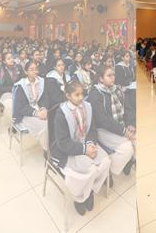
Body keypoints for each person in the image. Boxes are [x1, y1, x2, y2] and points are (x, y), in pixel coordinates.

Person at [51, 82, 111, 216]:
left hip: (86, 143)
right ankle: (79, 199)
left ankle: (89, 191)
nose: (80, 98)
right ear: (67, 96)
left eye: (82, 94)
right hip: (70, 148)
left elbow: (91, 129)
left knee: (106, 161)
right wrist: (85, 150)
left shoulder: (87, 107)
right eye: (76, 95)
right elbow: (63, 142)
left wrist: (90, 144)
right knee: (91, 169)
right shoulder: (62, 114)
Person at [87, 66, 136, 177]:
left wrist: (131, 123)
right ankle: (109, 172)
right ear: (100, 79)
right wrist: (124, 131)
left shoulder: (116, 89)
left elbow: (128, 108)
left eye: (113, 75)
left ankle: (129, 161)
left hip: (120, 125)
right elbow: (103, 120)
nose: (113, 78)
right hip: (103, 130)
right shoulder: (95, 93)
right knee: (127, 148)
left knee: (137, 139)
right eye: (109, 75)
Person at [12, 60, 48, 149]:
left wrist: (44, 108)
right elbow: (21, 107)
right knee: (45, 125)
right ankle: (46, 149)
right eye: (31, 69)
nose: (35, 71)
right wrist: (37, 113)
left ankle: (51, 145)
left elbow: (45, 97)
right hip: (25, 114)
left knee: (54, 121)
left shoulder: (41, 82)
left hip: (39, 109)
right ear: (26, 72)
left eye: (36, 69)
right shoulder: (20, 86)